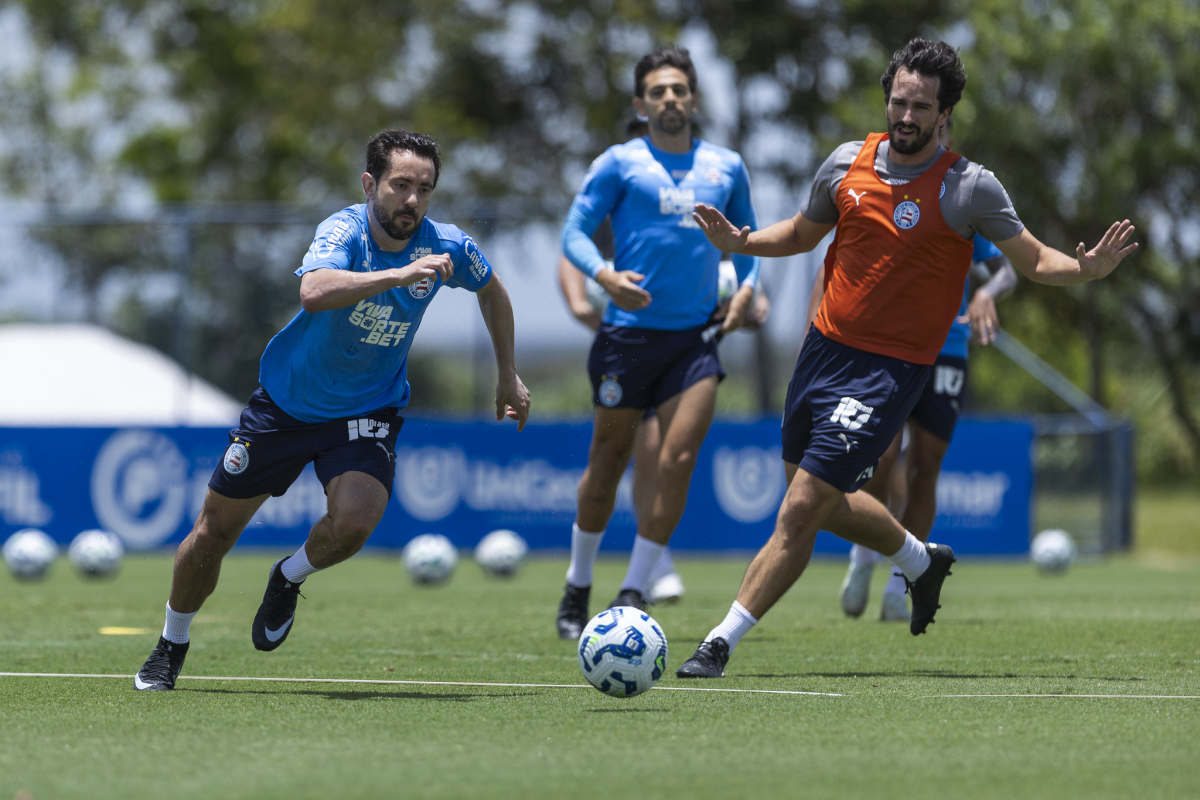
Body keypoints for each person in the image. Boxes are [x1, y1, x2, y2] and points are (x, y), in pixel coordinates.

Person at [677, 37, 1137, 678]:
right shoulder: (844, 164)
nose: (906, 116)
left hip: (889, 370)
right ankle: (921, 561)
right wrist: (744, 239)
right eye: (899, 101)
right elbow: (803, 233)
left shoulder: (969, 187)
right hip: (820, 353)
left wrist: (1085, 269)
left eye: (921, 106)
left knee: (804, 507)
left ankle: (718, 643)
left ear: (945, 113)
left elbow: (1032, 260)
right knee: (815, 503)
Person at [134, 129, 531, 690]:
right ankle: (171, 645)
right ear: (371, 184)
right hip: (286, 405)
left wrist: (507, 372)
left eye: (424, 188)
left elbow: (493, 290)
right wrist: (397, 275)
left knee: (355, 522)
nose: (412, 200)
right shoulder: (343, 229)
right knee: (212, 534)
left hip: (367, 409)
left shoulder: (449, 245)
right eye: (400, 185)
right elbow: (315, 291)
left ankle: (288, 577)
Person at [554, 46, 761, 639]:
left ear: (693, 98)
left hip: (694, 344)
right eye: (658, 91)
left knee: (679, 459)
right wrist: (605, 276)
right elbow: (574, 233)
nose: (670, 98)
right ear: (641, 104)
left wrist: (747, 290)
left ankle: (635, 588)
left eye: (679, 89)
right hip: (625, 339)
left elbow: (749, 243)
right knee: (606, 465)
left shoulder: (727, 166)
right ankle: (577, 584)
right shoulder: (620, 163)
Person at [840, 115, 1019, 622]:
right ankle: (862, 557)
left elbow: (1006, 268)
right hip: (892, 347)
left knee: (925, 468)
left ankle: (902, 587)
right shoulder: (886, 191)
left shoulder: (961, 198)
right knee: (882, 459)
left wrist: (985, 292)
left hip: (949, 350)